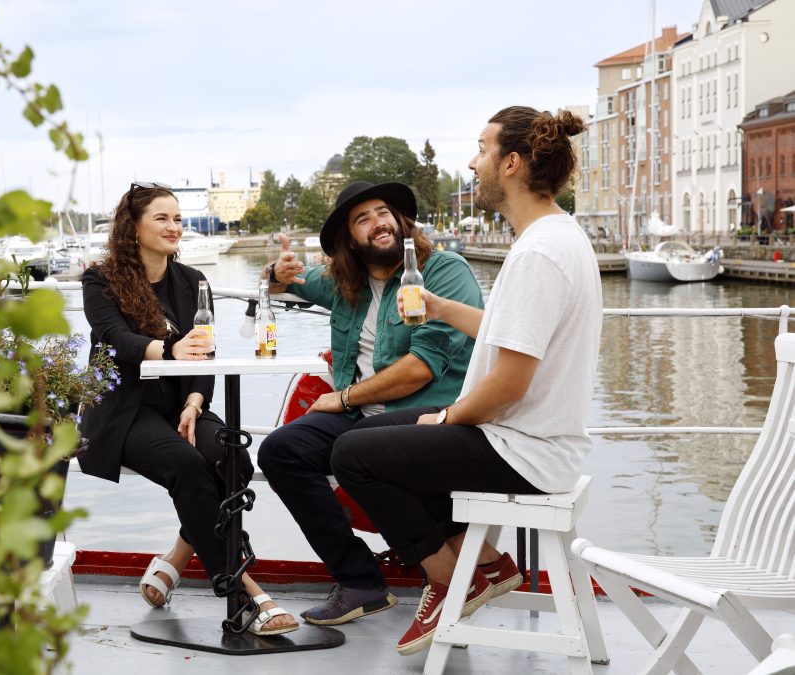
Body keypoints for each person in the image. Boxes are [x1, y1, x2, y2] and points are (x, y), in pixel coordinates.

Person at [330, 106, 601, 656]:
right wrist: (437, 307)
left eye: (482, 149)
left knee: (353, 456)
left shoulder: (538, 255)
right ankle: (479, 565)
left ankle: (455, 578)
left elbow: (508, 385)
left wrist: (449, 416)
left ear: (512, 164)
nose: (473, 162)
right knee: (372, 442)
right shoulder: (554, 236)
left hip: (526, 448)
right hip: (533, 439)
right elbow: (509, 333)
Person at [257, 181, 484, 625]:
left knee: (360, 446)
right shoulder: (346, 280)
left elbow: (422, 367)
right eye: (362, 218)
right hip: (361, 416)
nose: (378, 222)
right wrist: (274, 274)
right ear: (349, 240)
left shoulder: (443, 271)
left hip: (434, 416)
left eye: (383, 212)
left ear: (401, 221)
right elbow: (284, 283)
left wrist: (341, 397)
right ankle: (360, 579)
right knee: (280, 452)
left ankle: (456, 573)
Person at [79, 182, 297, 636]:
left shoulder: (194, 281)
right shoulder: (100, 280)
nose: (174, 227)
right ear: (133, 227)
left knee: (232, 456)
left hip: (183, 405)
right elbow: (116, 340)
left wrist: (196, 404)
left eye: (178, 218)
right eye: (161, 218)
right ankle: (244, 590)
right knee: (187, 466)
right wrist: (170, 349)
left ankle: (179, 555)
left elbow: (207, 356)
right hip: (126, 410)